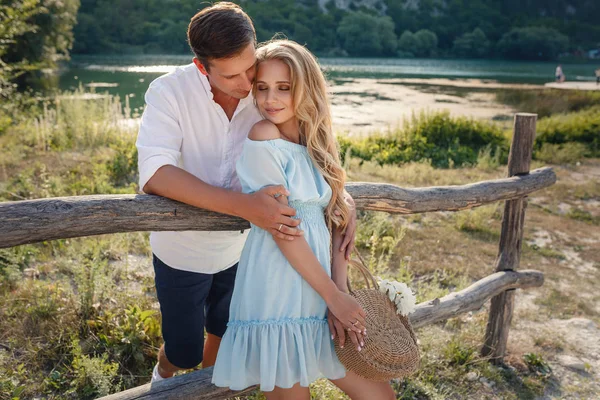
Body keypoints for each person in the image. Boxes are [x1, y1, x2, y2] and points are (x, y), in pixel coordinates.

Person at [135, 2, 359, 382]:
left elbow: (306, 153)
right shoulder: (168, 91)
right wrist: (246, 206)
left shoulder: (264, 94)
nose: (246, 85)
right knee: (183, 349)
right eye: (230, 76)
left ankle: (209, 389)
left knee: (224, 333)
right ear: (201, 66)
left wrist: (343, 196)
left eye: (249, 66)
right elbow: (156, 173)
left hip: (245, 252)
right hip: (182, 249)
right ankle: (164, 372)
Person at [211, 40, 395, 400]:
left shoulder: (317, 146)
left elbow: (334, 233)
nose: (270, 99)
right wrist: (333, 297)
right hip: (279, 289)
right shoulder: (265, 136)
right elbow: (284, 231)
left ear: (305, 88)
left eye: (284, 88)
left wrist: (339, 296)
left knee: (381, 396)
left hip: (321, 290)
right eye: (262, 88)